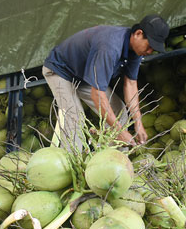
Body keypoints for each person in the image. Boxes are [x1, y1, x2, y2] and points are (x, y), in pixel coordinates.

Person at [42, 14, 170, 151]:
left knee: (119, 110)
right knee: (75, 118)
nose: (150, 51)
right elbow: (97, 94)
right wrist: (120, 132)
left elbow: (131, 85)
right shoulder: (110, 47)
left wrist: (138, 123)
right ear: (138, 34)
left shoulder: (136, 52)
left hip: (82, 76)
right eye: (149, 46)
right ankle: (71, 165)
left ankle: (115, 163)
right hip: (60, 71)